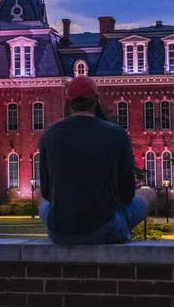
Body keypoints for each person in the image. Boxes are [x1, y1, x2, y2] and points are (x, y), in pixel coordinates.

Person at [38, 75, 156, 244]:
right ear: (96, 99)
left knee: (39, 197)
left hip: (61, 232)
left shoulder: (49, 135)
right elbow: (127, 194)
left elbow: (46, 193)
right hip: (106, 230)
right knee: (149, 193)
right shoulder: (117, 134)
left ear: (68, 102)